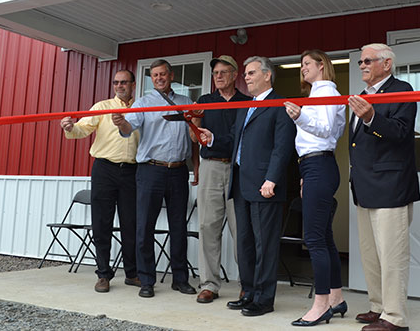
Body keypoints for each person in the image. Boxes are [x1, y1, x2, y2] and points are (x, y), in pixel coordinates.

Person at [198, 56, 296, 317]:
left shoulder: (279, 106)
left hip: (265, 185)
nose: (247, 77)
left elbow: (282, 148)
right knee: (245, 242)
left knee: (264, 244)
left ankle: (264, 299)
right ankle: (250, 292)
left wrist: (272, 179)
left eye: (251, 72)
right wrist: (213, 138)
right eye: (246, 73)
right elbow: (234, 140)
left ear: (267, 75)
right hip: (240, 184)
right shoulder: (246, 106)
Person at [113, 59, 200, 299]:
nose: (159, 78)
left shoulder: (185, 103)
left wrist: (197, 168)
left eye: (163, 74)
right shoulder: (143, 103)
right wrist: (122, 124)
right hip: (151, 170)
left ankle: (180, 279)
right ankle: (147, 280)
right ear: (151, 78)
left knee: (178, 226)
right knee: (145, 227)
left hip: (180, 170)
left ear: (171, 75)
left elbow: (195, 136)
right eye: (155, 75)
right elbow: (130, 128)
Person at [348, 43, 420, 331]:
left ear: (387, 64)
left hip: (391, 185)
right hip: (364, 186)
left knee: (392, 256)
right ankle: (378, 307)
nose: (363, 65)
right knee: (371, 254)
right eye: (361, 61)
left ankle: (395, 318)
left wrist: (371, 118)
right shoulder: (363, 96)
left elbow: (402, 133)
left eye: (368, 60)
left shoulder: (402, 90)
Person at [60, 69, 140, 293]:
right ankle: (103, 274)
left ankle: (132, 273)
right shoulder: (102, 107)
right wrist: (70, 127)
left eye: (124, 82)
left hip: (133, 171)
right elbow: (82, 128)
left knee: (130, 223)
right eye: (116, 82)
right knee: (101, 223)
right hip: (105, 169)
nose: (119, 86)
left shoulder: (141, 108)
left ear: (133, 84)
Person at [284, 50, 347, 327]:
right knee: (324, 236)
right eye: (301, 65)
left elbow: (326, 129)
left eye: (307, 64)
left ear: (322, 65)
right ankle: (336, 298)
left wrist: (299, 117)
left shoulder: (326, 92)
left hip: (319, 166)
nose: (302, 69)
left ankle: (321, 305)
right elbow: (333, 132)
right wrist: (303, 174)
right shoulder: (319, 94)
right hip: (314, 167)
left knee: (315, 239)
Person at [190, 55, 250, 304]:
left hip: (239, 168)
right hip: (211, 167)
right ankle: (209, 284)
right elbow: (195, 140)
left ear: (235, 74)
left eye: (224, 72)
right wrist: (194, 119)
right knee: (207, 227)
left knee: (242, 230)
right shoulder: (205, 101)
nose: (219, 77)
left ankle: (247, 284)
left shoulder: (247, 102)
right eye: (215, 73)